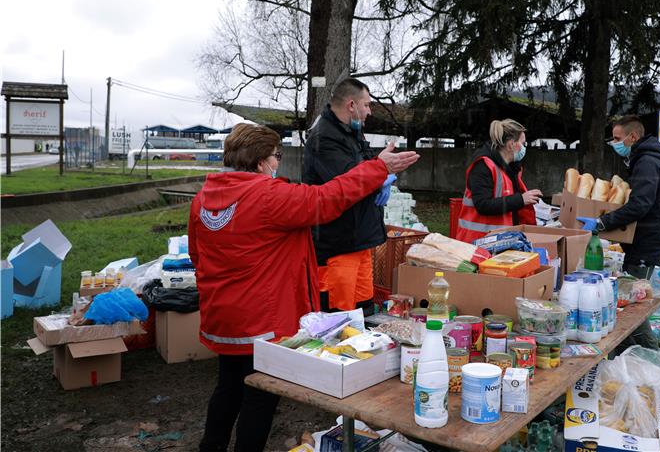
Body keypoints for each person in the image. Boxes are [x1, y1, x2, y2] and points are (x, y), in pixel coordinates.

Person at [189, 123, 418, 452]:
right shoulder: (267, 196)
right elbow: (327, 198)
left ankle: (211, 447)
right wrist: (378, 167)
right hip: (262, 324)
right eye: (276, 156)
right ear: (259, 162)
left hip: (224, 321)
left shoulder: (203, 199)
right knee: (260, 396)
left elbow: (198, 256)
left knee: (227, 388)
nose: (278, 163)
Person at [577, 114, 660, 349]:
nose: (614, 143)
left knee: (633, 303)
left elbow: (640, 205)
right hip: (645, 241)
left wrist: (602, 222)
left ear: (633, 137)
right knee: (631, 298)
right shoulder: (644, 160)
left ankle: (652, 354)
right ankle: (628, 353)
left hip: (646, 242)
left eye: (617, 138)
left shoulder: (647, 163)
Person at [303, 77, 396, 315]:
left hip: (359, 240)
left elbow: (365, 165)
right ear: (351, 105)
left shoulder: (353, 132)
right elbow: (347, 184)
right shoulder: (324, 138)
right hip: (337, 244)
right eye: (366, 105)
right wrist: (380, 173)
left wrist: (383, 173)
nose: (369, 111)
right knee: (338, 316)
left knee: (362, 310)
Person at [455, 118, 543, 244]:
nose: (524, 148)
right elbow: (483, 205)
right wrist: (521, 199)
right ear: (511, 144)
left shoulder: (510, 168)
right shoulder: (483, 165)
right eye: (522, 143)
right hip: (477, 242)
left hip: (497, 241)